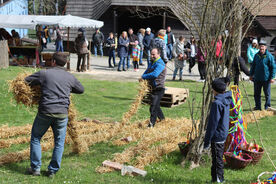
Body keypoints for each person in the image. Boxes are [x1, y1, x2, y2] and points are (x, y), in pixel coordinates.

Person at [25, 52, 84, 177]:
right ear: (65, 63)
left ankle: (35, 168)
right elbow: (81, 89)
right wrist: (67, 87)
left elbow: (26, 80)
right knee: (59, 142)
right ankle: (52, 170)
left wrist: (40, 84)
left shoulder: (44, 73)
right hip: (62, 114)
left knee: (36, 138)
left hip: (45, 111)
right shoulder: (70, 77)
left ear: (53, 62)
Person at [204, 77, 232, 183]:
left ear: (214, 90)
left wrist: (207, 141)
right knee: (217, 158)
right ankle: (215, 179)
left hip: (217, 135)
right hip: (222, 132)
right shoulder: (226, 98)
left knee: (217, 159)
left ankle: (219, 180)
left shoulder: (216, 103)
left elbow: (213, 124)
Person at [141, 48, 166, 128]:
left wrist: (143, 77)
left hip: (159, 89)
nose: (152, 56)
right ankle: (163, 120)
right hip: (153, 88)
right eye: (151, 54)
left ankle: (151, 125)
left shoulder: (160, 64)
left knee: (153, 107)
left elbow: (155, 74)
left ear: (159, 54)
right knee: (156, 105)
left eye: (153, 54)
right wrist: (143, 76)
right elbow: (147, 70)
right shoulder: (153, 62)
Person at [250, 41, 276, 110]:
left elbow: (273, 67)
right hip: (257, 78)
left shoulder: (269, 56)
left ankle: (267, 107)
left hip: (266, 79)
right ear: (258, 47)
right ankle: (258, 107)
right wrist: (251, 75)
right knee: (256, 94)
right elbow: (253, 66)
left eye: (263, 47)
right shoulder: (256, 55)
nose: (261, 48)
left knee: (267, 94)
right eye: (260, 47)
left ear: (265, 47)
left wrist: (272, 77)